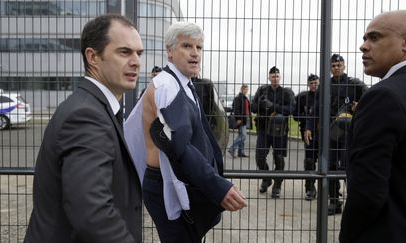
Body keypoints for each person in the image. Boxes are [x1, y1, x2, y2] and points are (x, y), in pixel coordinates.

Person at [24, 14, 143, 243]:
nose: (136, 61)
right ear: (93, 57)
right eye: (124, 52)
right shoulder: (86, 116)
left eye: (139, 53)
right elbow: (92, 213)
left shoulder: (93, 107)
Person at [125, 22, 247, 243]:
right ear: (170, 52)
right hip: (166, 182)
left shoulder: (183, 84)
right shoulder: (167, 87)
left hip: (177, 179)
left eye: (199, 48)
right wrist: (217, 186)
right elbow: (177, 144)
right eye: (187, 46)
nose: (195, 53)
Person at [340, 10, 406, 243]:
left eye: (374, 37)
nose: (363, 46)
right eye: (364, 39)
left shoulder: (384, 96)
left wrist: (348, 236)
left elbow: (367, 192)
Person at [305, 54, 367, 215]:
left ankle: (355, 201)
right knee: (330, 167)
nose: (336, 67)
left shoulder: (354, 84)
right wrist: (309, 128)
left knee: (349, 167)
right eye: (333, 65)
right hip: (329, 134)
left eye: (339, 65)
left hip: (349, 133)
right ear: (330, 68)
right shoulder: (324, 87)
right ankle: (334, 201)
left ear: (344, 66)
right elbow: (315, 111)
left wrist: (359, 106)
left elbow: (370, 99)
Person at [251, 66, 295, 198]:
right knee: (259, 157)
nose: (275, 78)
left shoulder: (286, 92)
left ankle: (277, 185)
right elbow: (253, 108)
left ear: (280, 77)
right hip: (264, 129)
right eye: (272, 76)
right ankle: (266, 178)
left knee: (279, 158)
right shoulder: (262, 91)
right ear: (269, 77)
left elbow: (291, 110)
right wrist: (261, 104)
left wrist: (273, 106)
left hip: (279, 131)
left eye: (277, 76)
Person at [294, 74, 320, 201]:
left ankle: (330, 190)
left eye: (316, 83)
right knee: (309, 161)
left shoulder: (326, 95)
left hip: (325, 133)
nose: (314, 85)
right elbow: (295, 115)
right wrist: (308, 117)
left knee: (329, 162)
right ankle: (309, 189)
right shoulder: (302, 97)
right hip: (308, 132)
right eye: (311, 83)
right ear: (308, 84)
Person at [228, 84, 251, 158]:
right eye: (244, 89)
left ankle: (240, 152)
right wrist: (239, 118)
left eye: (247, 89)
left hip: (245, 119)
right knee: (243, 136)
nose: (246, 91)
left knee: (241, 135)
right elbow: (236, 109)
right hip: (241, 119)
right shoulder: (238, 98)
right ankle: (232, 149)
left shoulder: (245, 98)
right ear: (241, 89)